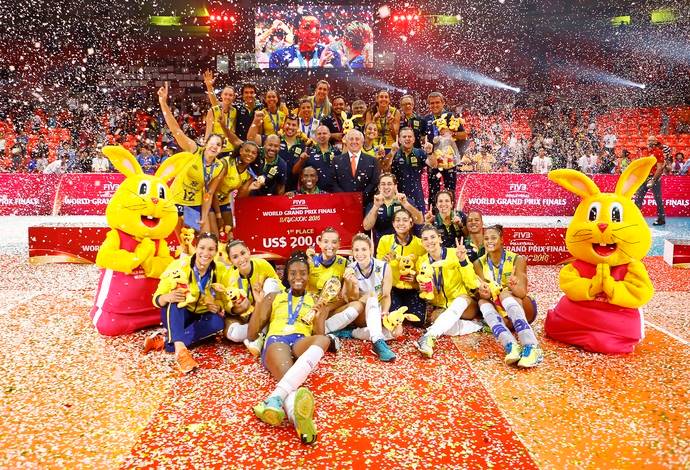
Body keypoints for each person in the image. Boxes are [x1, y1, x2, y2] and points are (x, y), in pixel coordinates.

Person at [249, 252, 332, 445]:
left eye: (303, 273)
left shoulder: (316, 299)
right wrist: (258, 303)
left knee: (324, 340)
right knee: (286, 371)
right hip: (277, 340)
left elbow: (318, 333)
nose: (298, 277)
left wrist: (319, 315)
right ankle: (298, 418)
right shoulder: (274, 297)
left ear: (308, 275)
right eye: (293, 273)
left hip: (300, 341)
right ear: (286, 275)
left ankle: (275, 398)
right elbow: (252, 334)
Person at [146, 232, 228, 373]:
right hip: (178, 315)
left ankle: (168, 341)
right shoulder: (179, 265)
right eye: (202, 248)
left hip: (201, 315)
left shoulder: (220, 269)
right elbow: (157, 299)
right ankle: (181, 353)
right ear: (195, 247)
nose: (206, 253)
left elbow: (223, 299)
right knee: (176, 300)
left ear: (216, 251)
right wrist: (168, 297)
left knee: (218, 323)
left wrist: (217, 305)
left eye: (211, 249)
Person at [158, 82, 225, 235]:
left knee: (204, 238)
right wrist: (163, 103)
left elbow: (209, 193)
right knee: (184, 242)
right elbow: (176, 130)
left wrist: (204, 214)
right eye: (212, 143)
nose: (214, 147)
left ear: (221, 149)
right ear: (205, 143)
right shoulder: (194, 149)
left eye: (218, 145)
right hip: (176, 200)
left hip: (194, 204)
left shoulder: (219, 166)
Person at [474, 225, 542, 367]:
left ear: (502, 240)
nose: (489, 241)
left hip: (522, 307)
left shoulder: (517, 259)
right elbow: (485, 295)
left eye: (493, 238)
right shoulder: (478, 263)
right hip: (500, 312)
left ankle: (531, 346)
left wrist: (513, 286)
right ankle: (511, 345)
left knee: (504, 294)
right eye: (486, 238)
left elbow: (522, 293)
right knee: (481, 302)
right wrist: (485, 294)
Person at [415, 225, 482, 358]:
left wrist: (463, 261)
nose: (430, 241)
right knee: (440, 323)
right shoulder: (422, 262)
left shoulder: (455, 254)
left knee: (460, 300)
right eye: (425, 239)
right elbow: (427, 291)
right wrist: (423, 289)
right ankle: (479, 326)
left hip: (465, 305)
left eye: (433, 237)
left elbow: (472, 283)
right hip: (443, 308)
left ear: (440, 239)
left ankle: (429, 336)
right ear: (422, 243)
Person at [340, 233, 397, 362]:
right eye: (356, 250)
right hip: (361, 313)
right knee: (371, 296)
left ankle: (354, 333)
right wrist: (352, 284)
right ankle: (378, 341)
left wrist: (385, 312)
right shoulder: (350, 269)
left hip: (377, 310)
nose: (360, 253)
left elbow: (386, 295)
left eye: (364, 249)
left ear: (371, 250)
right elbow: (348, 299)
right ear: (352, 251)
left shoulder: (383, 267)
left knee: (397, 331)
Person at [223, 239, 283, 350]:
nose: (241, 259)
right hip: (249, 318)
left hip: (269, 310)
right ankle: (266, 331)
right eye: (235, 257)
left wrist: (263, 295)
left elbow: (279, 288)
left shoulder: (262, 264)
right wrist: (238, 308)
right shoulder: (229, 277)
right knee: (234, 334)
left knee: (271, 283)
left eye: (243, 253)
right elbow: (227, 307)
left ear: (248, 251)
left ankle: (261, 335)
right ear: (230, 261)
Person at [376, 208, 427, 325]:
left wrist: (416, 278)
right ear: (393, 224)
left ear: (411, 223)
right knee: (392, 319)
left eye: (405, 220)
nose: (401, 223)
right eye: (398, 220)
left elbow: (425, 269)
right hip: (392, 289)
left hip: (412, 289)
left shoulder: (420, 244)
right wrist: (383, 263)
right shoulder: (385, 240)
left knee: (418, 321)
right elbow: (377, 268)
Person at [424, 92, 466, 208]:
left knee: (450, 189)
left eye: (437, 102)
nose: (435, 105)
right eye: (432, 103)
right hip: (433, 160)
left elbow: (464, 135)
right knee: (433, 189)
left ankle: (450, 214)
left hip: (449, 160)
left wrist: (451, 133)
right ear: (429, 105)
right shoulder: (426, 119)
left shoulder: (450, 116)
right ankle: (433, 214)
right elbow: (423, 137)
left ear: (443, 103)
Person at [213, 141, 261, 234]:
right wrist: (219, 216)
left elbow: (239, 197)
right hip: (209, 199)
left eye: (253, 153)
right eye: (247, 151)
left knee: (229, 231)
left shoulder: (250, 173)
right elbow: (212, 191)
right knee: (215, 232)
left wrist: (249, 188)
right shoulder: (226, 163)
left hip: (223, 201)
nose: (250, 154)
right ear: (240, 151)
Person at [363, 173, 423, 243]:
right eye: (383, 184)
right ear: (379, 187)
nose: (386, 187)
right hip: (382, 246)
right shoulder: (373, 204)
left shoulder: (405, 201)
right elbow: (367, 227)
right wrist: (376, 207)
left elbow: (419, 220)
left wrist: (406, 204)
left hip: (405, 245)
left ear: (395, 186)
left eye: (389, 184)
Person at [269, 15, 342, 69]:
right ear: (295, 31)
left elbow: (336, 84)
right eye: (307, 28)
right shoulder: (279, 56)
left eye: (317, 27)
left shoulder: (331, 56)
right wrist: (320, 67)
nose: (314, 32)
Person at [332, 129, 380, 208]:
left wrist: (360, 198)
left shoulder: (372, 160)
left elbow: (374, 182)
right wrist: (345, 198)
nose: (354, 142)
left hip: (365, 205)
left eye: (357, 139)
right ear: (346, 142)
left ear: (362, 142)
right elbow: (333, 182)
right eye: (351, 139)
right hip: (343, 205)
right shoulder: (336, 160)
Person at [388, 127, 431, 212]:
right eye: (404, 137)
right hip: (398, 194)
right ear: (399, 140)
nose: (407, 138)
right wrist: (392, 153)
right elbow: (385, 168)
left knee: (419, 219)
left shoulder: (419, 152)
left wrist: (430, 152)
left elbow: (433, 165)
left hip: (417, 194)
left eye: (410, 136)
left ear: (414, 139)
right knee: (399, 219)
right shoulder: (394, 153)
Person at [203, 71, 237, 155]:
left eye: (230, 95)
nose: (227, 97)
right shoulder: (213, 111)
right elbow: (208, 132)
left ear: (234, 97)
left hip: (231, 149)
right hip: (217, 150)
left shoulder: (235, 111)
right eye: (225, 94)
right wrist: (205, 147)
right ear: (221, 95)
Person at [634, 136, 667, 226]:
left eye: (652, 140)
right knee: (638, 198)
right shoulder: (645, 151)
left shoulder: (658, 152)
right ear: (647, 141)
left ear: (656, 142)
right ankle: (635, 219)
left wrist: (653, 180)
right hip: (643, 177)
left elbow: (659, 168)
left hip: (654, 178)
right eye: (649, 140)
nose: (650, 142)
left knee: (658, 199)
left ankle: (661, 219)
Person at [304, 125, 337, 192]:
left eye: (324, 133)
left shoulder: (337, 152)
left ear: (329, 135)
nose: (322, 136)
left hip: (334, 192)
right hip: (314, 192)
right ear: (315, 136)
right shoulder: (308, 152)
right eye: (319, 134)